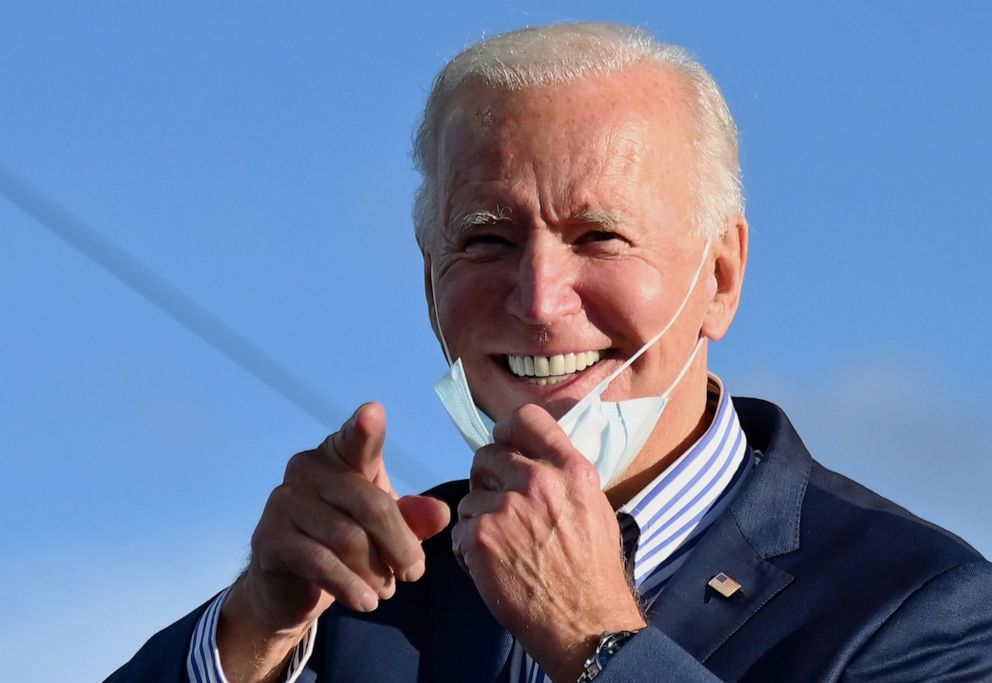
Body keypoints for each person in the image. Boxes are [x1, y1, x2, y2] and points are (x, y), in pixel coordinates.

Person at [109, 22, 992, 683]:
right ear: (430, 283)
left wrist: (600, 642)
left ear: (720, 276)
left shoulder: (921, 603)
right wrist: (251, 625)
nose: (537, 300)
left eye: (600, 236)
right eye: (487, 240)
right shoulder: (358, 606)